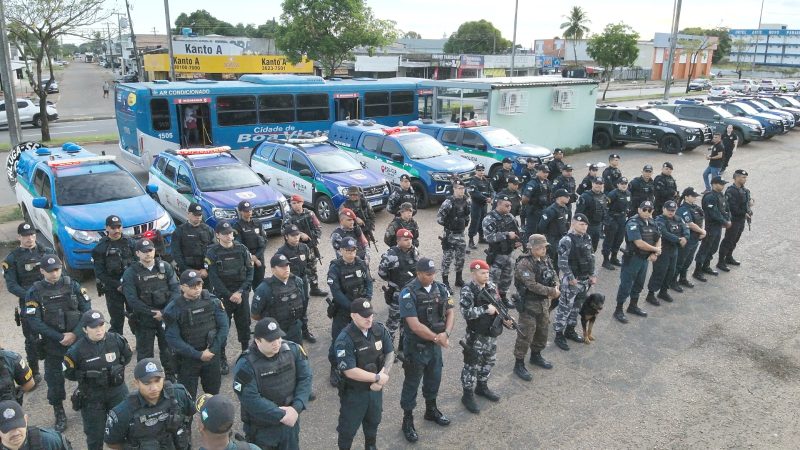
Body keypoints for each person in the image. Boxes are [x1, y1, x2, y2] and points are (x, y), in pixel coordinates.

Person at [23, 254, 91, 432]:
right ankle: (59, 411)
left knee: (86, 374)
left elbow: (87, 311)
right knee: (54, 381)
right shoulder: (34, 292)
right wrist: (59, 337)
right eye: (50, 271)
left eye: (57, 269)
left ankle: (85, 402)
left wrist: (74, 334)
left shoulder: (72, 284)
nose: (54, 274)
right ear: (42, 271)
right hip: (53, 345)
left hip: (77, 342)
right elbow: (34, 321)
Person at [232, 318, 312, 450]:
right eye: (271, 340)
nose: (277, 343)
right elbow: (250, 399)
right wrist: (282, 415)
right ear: (258, 341)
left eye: (278, 338)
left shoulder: (293, 350)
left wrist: (297, 407)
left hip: (290, 424)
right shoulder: (245, 365)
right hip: (263, 429)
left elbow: (305, 378)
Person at [398, 258, 454, 443]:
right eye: (428, 274)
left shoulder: (441, 288)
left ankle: (431, 410)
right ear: (418, 273)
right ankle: (407, 419)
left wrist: (446, 333)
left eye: (433, 273)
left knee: (434, 378)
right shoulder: (408, 293)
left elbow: (450, 311)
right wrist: (438, 338)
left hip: (435, 346)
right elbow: (414, 325)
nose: (432, 277)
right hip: (416, 348)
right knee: (412, 383)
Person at [63, 310, 132, 450]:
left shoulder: (117, 340)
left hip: (117, 392)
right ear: (85, 329)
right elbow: (68, 372)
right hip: (92, 397)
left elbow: (127, 356)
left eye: (101, 325)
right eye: (94, 327)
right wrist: (84, 375)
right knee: (95, 436)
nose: (99, 329)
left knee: (126, 429)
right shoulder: (76, 350)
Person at [334, 300, 394, 450]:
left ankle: (371, 446)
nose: (369, 319)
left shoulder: (378, 330)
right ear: (353, 316)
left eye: (371, 315)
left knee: (373, 421)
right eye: (364, 316)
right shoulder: (344, 339)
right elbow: (349, 370)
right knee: (348, 429)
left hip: (375, 391)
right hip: (354, 393)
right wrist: (377, 378)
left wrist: (384, 374)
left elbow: (390, 352)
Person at [164, 269, 229, 398]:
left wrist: (213, 349)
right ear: (182, 287)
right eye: (192, 286)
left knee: (213, 395)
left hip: (211, 355)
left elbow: (224, 327)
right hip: (188, 359)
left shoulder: (213, 301)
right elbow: (173, 339)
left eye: (199, 285)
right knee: (187, 396)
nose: (197, 289)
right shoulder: (174, 309)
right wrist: (198, 355)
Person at [104, 358, 195, 450]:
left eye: (157, 381)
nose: (154, 388)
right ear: (136, 383)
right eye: (147, 383)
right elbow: (112, 442)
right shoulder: (123, 412)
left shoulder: (179, 394)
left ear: (163, 378)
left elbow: (190, 414)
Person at [121, 238, 179, 379]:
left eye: (150, 250)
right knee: (145, 353)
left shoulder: (165, 267)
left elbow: (176, 291)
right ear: (137, 253)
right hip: (144, 319)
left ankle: (171, 377)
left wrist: (164, 312)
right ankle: (146, 379)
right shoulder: (131, 273)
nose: (148, 254)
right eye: (144, 251)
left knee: (168, 349)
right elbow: (132, 300)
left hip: (165, 316)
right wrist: (152, 312)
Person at [2, 222, 52, 383]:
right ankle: (35, 371)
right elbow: (11, 285)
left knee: (53, 333)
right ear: (19, 238)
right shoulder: (12, 258)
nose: (29, 238)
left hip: (49, 301)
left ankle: (56, 366)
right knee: (31, 339)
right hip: (28, 304)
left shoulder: (47, 252)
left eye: (31, 235)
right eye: (25, 236)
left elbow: (58, 273)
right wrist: (30, 296)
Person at [205, 221, 254, 375]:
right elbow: (213, 278)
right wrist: (229, 295)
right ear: (217, 235)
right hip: (223, 297)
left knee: (244, 324)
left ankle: (246, 353)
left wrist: (240, 292)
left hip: (241, 294)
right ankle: (222, 358)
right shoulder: (212, 253)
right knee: (222, 327)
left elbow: (250, 273)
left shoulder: (242, 249)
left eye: (230, 233)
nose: (229, 236)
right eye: (225, 233)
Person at [458, 259, 507, 414]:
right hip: (476, 335)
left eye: (487, 273)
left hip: (491, 334)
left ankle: (482, 386)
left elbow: (499, 305)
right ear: (474, 274)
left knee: (489, 361)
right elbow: (466, 313)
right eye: (482, 273)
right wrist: (485, 308)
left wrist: (506, 319)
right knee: (471, 365)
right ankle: (467, 394)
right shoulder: (468, 290)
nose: (486, 276)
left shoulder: (492, 286)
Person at [327, 238, 372, 387]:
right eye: (348, 251)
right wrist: (352, 308)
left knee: (361, 337)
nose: (351, 253)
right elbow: (336, 292)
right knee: (338, 339)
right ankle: (335, 367)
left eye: (353, 250)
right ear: (341, 251)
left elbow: (369, 282)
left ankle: (357, 364)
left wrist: (366, 301)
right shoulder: (335, 267)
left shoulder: (360, 263)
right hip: (343, 310)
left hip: (359, 309)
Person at [512, 235, 558, 381]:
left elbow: (554, 273)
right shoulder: (524, 264)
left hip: (544, 304)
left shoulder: (545, 259)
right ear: (531, 248)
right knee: (525, 334)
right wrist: (552, 292)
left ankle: (536, 355)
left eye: (544, 247)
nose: (543, 250)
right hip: (529, 305)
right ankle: (519, 363)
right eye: (539, 247)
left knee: (542, 331)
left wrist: (556, 285)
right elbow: (531, 285)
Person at [552, 214, 596, 350]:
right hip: (572, 281)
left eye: (586, 225)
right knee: (564, 308)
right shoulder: (566, 240)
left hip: (584, 281)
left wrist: (593, 275)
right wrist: (571, 278)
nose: (584, 227)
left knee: (577, 307)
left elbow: (592, 256)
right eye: (581, 224)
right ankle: (559, 334)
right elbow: (562, 262)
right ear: (573, 223)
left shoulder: (587, 237)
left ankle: (570, 330)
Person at [613, 201, 661, 323]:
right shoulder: (633, 223)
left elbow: (658, 237)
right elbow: (639, 243)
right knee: (626, 284)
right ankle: (618, 310)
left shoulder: (652, 222)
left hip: (645, 259)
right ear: (639, 209)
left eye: (649, 210)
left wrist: (655, 253)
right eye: (644, 209)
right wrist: (656, 250)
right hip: (633, 258)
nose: (647, 212)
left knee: (639, 283)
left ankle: (632, 306)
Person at [377, 229, 419, 357]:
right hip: (396, 293)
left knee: (406, 321)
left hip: (410, 293)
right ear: (398, 241)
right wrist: (394, 281)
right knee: (392, 323)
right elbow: (382, 272)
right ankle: (389, 351)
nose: (409, 242)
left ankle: (403, 346)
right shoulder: (391, 254)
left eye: (410, 239)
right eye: (405, 240)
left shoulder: (414, 251)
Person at [92, 215, 135, 335]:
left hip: (131, 287)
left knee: (136, 317)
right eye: (113, 227)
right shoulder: (100, 248)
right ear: (107, 228)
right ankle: (118, 347)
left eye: (118, 227)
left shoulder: (131, 243)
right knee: (116, 320)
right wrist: (117, 285)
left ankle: (142, 345)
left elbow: (137, 265)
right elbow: (100, 273)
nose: (116, 230)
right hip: (113, 289)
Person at [251, 254, 306, 345]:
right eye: (281, 267)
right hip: (275, 333)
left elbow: (303, 302)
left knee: (298, 355)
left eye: (287, 265)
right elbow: (255, 314)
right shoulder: (264, 288)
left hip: (294, 328)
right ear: (273, 270)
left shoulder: (297, 281)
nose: (286, 269)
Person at [274, 225, 317, 343]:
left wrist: (310, 273)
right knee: (292, 306)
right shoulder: (281, 253)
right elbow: (277, 269)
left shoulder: (304, 247)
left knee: (304, 304)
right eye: (293, 236)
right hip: (289, 284)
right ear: (286, 237)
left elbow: (311, 261)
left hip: (302, 280)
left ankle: (305, 330)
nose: (296, 237)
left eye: (297, 235)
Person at [281, 195, 327, 297]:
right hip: (296, 247)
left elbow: (318, 227)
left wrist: (315, 240)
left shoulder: (309, 213)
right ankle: (296, 290)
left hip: (310, 246)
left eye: (298, 203)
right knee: (297, 268)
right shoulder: (288, 216)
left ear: (302, 203)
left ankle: (314, 288)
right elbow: (283, 231)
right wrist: (300, 234)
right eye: (293, 203)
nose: (296, 205)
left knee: (312, 267)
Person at [645, 201, 688, 306]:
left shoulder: (678, 219)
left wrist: (685, 238)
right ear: (663, 209)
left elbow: (686, 229)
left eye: (673, 210)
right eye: (669, 210)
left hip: (674, 250)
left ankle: (663, 292)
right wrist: (679, 239)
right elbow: (664, 233)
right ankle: (650, 294)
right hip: (663, 250)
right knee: (659, 272)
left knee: (670, 272)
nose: (671, 212)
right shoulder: (659, 220)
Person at [483, 196, 523, 308]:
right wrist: (506, 235)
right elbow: (489, 237)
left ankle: (503, 298)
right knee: (492, 279)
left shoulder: (510, 216)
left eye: (510, 205)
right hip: (497, 255)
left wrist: (518, 241)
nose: (509, 208)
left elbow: (516, 231)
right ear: (498, 204)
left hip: (509, 253)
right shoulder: (489, 219)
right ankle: (492, 302)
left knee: (507, 278)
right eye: (506, 205)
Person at [693, 176, 732, 279]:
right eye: (721, 184)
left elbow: (726, 209)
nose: (723, 186)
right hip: (711, 226)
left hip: (718, 226)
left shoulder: (720, 195)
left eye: (723, 184)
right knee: (705, 248)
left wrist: (728, 219)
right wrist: (724, 221)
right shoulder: (710, 196)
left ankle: (706, 266)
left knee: (713, 247)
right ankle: (697, 271)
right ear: (714, 184)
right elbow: (713, 213)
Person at [436, 180, 471, 289]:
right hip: (450, 234)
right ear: (454, 189)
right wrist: (450, 225)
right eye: (459, 188)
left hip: (460, 234)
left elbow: (467, 215)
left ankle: (458, 280)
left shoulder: (466, 201)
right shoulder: (448, 202)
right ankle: (445, 282)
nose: (461, 190)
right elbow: (439, 218)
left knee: (460, 257)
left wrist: (463, 223)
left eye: (462, 188)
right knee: (447, 258)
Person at [0, 400, 72, 450]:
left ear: (26, 420)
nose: (15, 433)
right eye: (7, 428)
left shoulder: (49, 440)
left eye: (19, 425)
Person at [171, 202, 214, 281]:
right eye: (195, 215)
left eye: (200, 215)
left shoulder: (208, 230)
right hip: (187, 271)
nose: (198, 217)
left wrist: (207, 269)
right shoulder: (179, 231)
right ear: (188, 214)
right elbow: (176, 254)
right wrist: (190, 270)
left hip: (205, 271)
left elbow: (214, 250)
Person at [718, 169, 752, 269]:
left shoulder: (744, 190)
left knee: (735, 240)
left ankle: (728, 257)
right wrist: (744, 213)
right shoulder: (731, 191)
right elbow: (732, 208)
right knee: (728, 240)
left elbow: (745, 204)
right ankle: (720, 262)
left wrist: (749, 209)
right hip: (733, 220)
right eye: (743, 177)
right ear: (736, 178)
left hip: (741, 220)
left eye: (745, 177)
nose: (745, 179)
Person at [675, 187, 706, 288]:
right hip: (687, 239)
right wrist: (702, 231)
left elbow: (701, 219)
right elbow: (690, 224)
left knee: (688, 260)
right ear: (686, 197)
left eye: (695, 196)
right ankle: (672, 281)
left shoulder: (695, 207)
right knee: (681, 261)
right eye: (693, 196)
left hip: (695, 238)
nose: (695, 198)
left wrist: (701, 231)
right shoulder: (683, 209)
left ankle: (683, 278)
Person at [233, 200, 267, 290]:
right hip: (246, 260)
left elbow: (264, 242)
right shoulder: (237, 226)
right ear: (240, 211)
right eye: (246, 211)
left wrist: (256, 257)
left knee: (260, 286)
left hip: (259, 257)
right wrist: (252, 258)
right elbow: (239, 245)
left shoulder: (257, 223)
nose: (249, 213)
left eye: (250, 210)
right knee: (246, 287)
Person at [538, 189, 571, 270]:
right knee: (550, 261)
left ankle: (556, 278)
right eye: (566, 196)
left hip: (561, 238)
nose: (568, 198)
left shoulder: (565, 208)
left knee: (559, 261)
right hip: (552, 239)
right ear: (559, 198)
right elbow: (541, 226)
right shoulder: (551, 210)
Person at [602, 178, 630, 270]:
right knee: (609, 240)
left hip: (622, 219)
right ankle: (605, 260)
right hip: (613, 219)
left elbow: (628, 205)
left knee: (619, 239)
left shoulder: (628, 193)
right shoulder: (613, 194)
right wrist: (608, 220)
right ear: (618, 184)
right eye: (622, 183)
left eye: (625, 183)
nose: (624, 185)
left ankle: (613, 258)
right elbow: (605, 206)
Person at [575, 177, 607, 252]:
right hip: (587, 227)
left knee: (593, 248)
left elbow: (604, 211)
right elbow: (578, 213)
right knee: (583, 248)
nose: (598, 185)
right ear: (592, 184)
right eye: (596, 183)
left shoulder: (603, 196)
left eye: (600, 184)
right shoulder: (585, 196)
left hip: (598, 226)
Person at [467, 164, 493, 249]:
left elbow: (491, 190)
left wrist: (491, 197)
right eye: (479, 170)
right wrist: (486, 198)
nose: (481, 172)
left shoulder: (486, 180)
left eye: (482, 170)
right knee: (475, 222)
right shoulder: (473, 181)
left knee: (483, 221)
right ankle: (471, 240)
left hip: (484, 205)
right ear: (476, 171)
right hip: (476, 205)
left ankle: (481, 238)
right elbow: (474, 193)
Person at [521, 165, 552, 237]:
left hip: (543, 210)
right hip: (533, 211)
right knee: (531, 233)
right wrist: (531, 204)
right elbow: (524, 198)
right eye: (544, 172)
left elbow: (549, 195)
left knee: (541, 232)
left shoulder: (547, 182)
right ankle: (527, 247)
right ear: (538, 172)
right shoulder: (532, 183)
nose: (546, 174)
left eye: (547, 172)